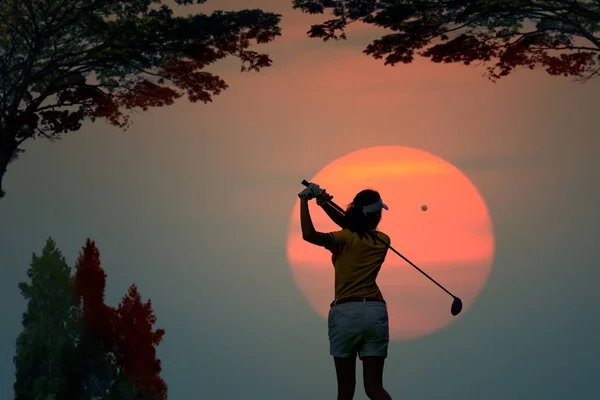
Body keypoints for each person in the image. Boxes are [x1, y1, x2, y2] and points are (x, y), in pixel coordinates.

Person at [298, 183, 393, 400]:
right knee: (374, 388)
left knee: (346, 390)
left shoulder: (343, 239)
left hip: (346, 313)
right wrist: (323, 202)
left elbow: (309, 234)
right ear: (376, 216)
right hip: (375, 311)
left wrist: (305, 201)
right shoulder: (384, 241)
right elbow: (350, 224)